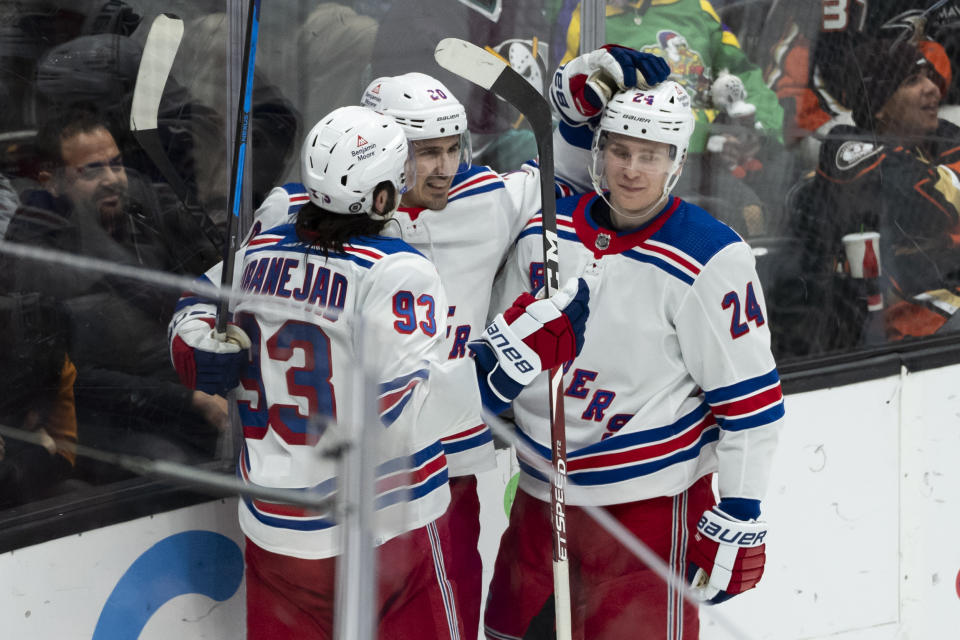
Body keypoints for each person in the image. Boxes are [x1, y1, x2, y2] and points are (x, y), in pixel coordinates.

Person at [167, 105, 590, 639]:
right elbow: (408, 411)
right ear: (385, 196)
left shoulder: (257, 252)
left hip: (276, 531)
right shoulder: (395, 271)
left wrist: (192, 340)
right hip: (388, 534)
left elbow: (196, 302)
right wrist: (515, 355)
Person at [483, 79, 785, 639]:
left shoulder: (711, 256)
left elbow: (751, 405)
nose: (631, 169)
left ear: (676, 160)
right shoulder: (543, 232)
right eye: (620, 150)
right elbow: (499, 346)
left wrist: (740, 511)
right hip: (537, 499)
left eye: (650, 156)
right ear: (600, 152)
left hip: (647, 511)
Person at [1, 108, 223, 482]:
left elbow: (211, 277)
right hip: (101, 417)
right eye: (91, 170)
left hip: (178, 391)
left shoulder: (145, 217)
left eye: (116, 165)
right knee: (177, 467)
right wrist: (190, 399)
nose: (112, 179)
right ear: (51, 182)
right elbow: (78, 377)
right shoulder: (38, 253)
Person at [805, 37, 960, 346]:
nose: (932, 87)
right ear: (879, 107)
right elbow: (929, 203)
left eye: (929, 76)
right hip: (902, 327)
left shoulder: (943, 135)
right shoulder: (847, 150)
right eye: (912, 81)